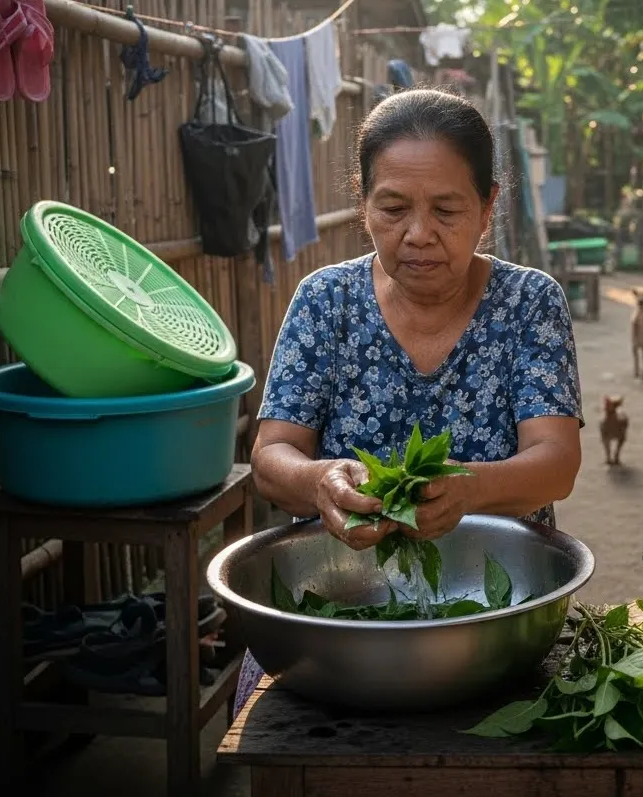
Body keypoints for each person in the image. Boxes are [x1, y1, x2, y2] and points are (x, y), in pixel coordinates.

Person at [231, 89, 584, 717]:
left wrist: (467, 490)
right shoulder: (325, 302)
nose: (418, 235)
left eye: (447, 209)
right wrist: (320, 482)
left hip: (494, 613)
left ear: (487, 208)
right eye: (392, 207)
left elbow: (556, 461)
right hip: (339, 605)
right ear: (363, 205)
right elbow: (271, 458)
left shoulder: (531, 304)